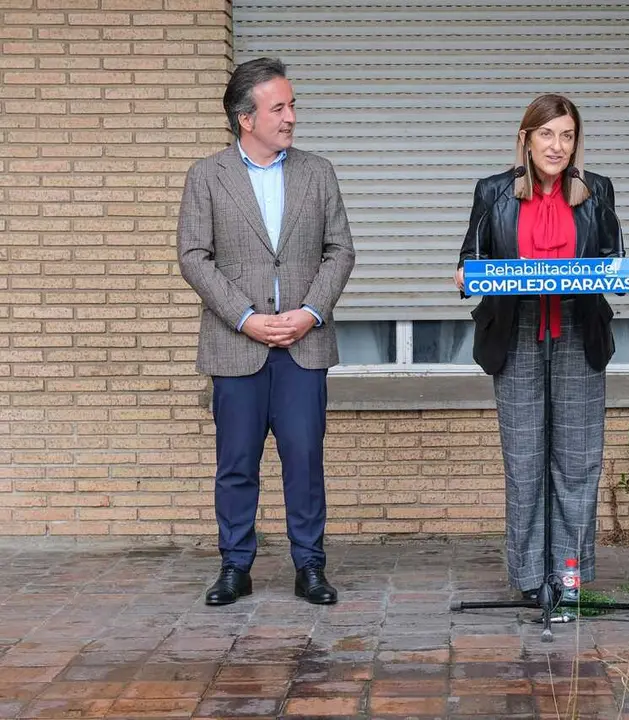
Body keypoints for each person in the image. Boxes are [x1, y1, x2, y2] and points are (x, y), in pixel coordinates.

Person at [177, 57, 355, 606]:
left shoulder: (317, 171)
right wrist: (246, 318)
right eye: (279, 107)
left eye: (293, 104)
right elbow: (193, 257)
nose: (291, 117)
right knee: (236, 466)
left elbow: (340, 250)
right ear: (244, 118)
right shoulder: (207, 176)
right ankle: (236, 567)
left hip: (303, 346)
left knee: (305, 461)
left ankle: (310, 567)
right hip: (236, 347)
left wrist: (310, 311)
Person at [454, 94, 623, 599]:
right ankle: (530, 579)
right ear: (525, 139)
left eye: (567, 135)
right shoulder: (493, 192)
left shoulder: (598, 191)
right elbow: (471, 257)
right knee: (525, 462)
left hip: (577, 332)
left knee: (577, 461)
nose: (557, 146)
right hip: (517, 333)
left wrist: (612, 272)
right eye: (547, 134)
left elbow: (615, 259)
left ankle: (569, 576)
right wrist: (465, 273)